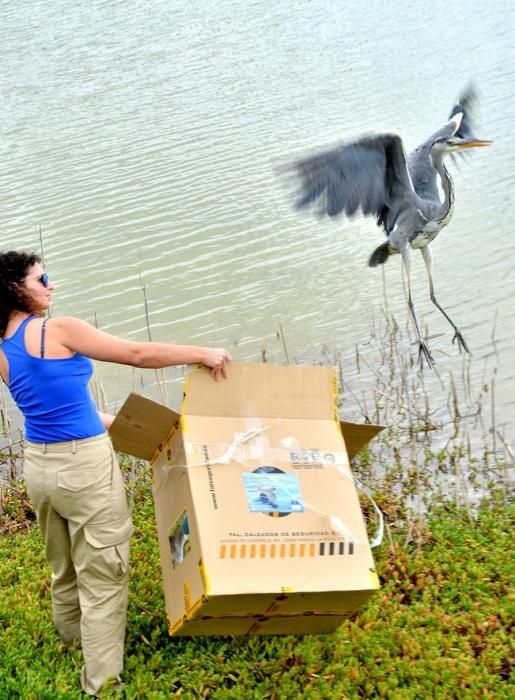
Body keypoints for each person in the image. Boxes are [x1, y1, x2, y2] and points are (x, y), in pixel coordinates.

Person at [0, 250, 231, 697]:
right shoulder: (57, 329)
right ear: (14, 288)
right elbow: (137, 353)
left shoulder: (2, 346)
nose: (51, 285)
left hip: (40, 465)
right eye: (41, 278)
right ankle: (102, 684)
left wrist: (117, 423)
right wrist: (203, 352)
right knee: (104, 572)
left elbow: (52, 402)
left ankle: (71, 642)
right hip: (83, 466)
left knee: (62, 561)